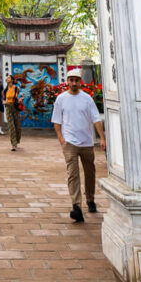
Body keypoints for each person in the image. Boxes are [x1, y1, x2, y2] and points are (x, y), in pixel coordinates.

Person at [51, 69, 106, 223]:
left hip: (87, 142)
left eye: (77, 80)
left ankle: (90, 199)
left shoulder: (87, 99)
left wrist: (102, 138)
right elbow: (57, 121)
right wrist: (61, 139)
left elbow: (96, 119)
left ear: (80, 82)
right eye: (71, 80)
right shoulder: (61, 99)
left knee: (90, 172)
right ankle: (76, 206)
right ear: (67, 81)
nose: (74, 83)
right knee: (73, 174)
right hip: (69, 142)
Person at [4, 74, 23, 151]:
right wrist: (4, 102)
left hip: (15, 107)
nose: (7, 79)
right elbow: (3, 99)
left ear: (12, 80)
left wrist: (20, 99)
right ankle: (13, 144)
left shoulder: (16, 88)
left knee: (17, 126)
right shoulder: (5, 90)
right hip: (8, 107)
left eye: (9, 78)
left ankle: (17, 140)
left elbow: (19, 97)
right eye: (7, 78)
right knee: (11, 126)